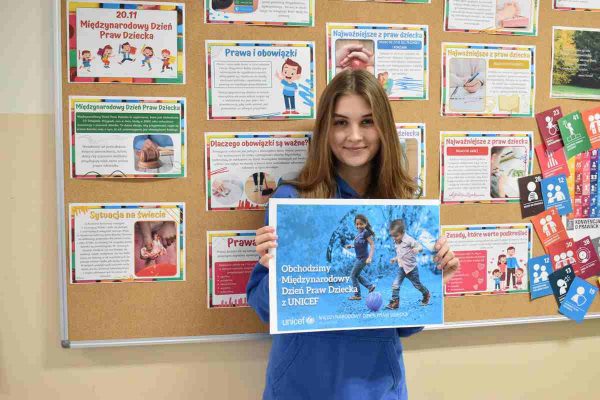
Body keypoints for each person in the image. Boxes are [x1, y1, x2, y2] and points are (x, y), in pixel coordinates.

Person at [247, 70, 460, 400]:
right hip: (300, 386)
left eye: (367, 122)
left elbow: (406, 326)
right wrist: (274, 270)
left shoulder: (402, 208)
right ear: (325, 129)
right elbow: (265, 311)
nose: (355, 136)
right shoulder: (292, 202)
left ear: (383, 127)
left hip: (376, 387)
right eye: (341, 122)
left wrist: (434, 277)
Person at [386, 219, 430, 309]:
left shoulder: (409, 240)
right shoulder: (396, 241)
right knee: (395, 284)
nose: (394, 238)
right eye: (392, 236)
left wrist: (417, 249)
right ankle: (395, 302)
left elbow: (420, 246)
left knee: (417, 285)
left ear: (402, 232)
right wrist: (395, 259)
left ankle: (426, 294)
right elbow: (401, 254)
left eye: (396, 236)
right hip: (402, 268)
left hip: (411, 269)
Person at [344, 214, 376, 300]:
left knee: (353, 275)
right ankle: (370, 286)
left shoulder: (366, 233)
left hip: (363, 258)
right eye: (357, 224)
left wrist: (370, 257)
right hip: (359, 258)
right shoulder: (359, 234)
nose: (358, 226)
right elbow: (359, 244)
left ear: (365, 224)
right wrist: (351, 246)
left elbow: (372, 245)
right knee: (356, 275)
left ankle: (357, 295)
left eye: (361, 224)